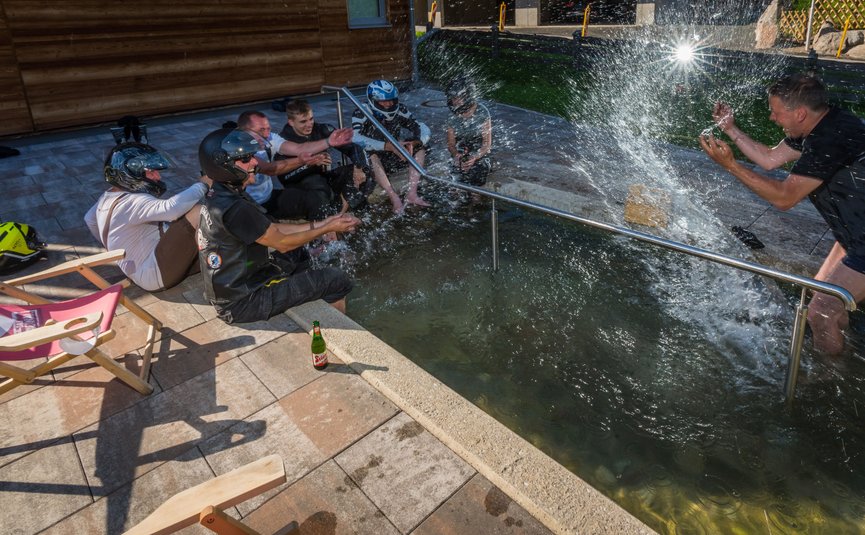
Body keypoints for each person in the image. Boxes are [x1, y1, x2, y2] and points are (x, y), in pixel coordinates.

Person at [699, 73, 865, 354]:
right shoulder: (819, 124)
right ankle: (841, 349)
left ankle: (828, 381)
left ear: (799, 113)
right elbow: (769, 158)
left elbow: (785, 198)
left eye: (776, 112)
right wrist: (730, 129)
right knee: (821, 297)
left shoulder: (829, 139)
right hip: (852, 235)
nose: (773, 118)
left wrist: (731, 166)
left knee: (821, 311)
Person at [197, 128, 361, 323]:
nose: (255, 162)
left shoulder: (222, 193)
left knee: (299, 254)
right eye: (245, 159)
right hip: (242, 302)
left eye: (251, 156)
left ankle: (310, 290)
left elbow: (273, 229)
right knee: (337, 280)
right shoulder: (235, 208)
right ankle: (336, 326)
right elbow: (282, 241)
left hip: (238, 283)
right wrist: (326, 228)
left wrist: (326, 222)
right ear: (223, 165)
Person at [84, 142, 211, 292]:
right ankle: (218, 262)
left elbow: (90, 219)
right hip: (154, 275)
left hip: (137, 271)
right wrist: (204, 184)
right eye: (151, 171)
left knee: (182, 219)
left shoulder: (108, 197)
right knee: (197, 212)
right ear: (131, 174)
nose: (158, 176)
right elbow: (171, 208)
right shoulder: (131, 202)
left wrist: (118, 247)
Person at [236, 110, 353, 220]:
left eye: (268, 129)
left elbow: (299, 148)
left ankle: (326, 238)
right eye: (261, 130)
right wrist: (301, 161)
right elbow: (269, 169)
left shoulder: (269, 137)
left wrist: (328, 142)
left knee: (315, 199)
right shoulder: (236, 148)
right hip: (245, 204)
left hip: (268, 198)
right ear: (244, 131)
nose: (267, 134)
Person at [277, 99, 375, 213]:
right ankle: (337, 218)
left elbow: (354, 148)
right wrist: (309, 164)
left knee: (366, 171)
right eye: (303, 122)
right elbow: (284, 178)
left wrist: (359, 168)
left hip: (325, 178)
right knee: (317, 183)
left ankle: (350, 212)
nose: (309, 125)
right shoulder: (282, 141)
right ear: (291, 122)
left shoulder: (322, 129)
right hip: (300, 187)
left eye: (311, 119)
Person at [352, 79, 431, 213]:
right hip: (373, 163)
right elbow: (355, 138)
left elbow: (422, 127)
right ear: (373, 100)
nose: (389, 104)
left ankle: (412, 194)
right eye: (384, 101)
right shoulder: (362, 112)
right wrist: (386, 146)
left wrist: (414, 143)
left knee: (421, 147)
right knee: (371, 155)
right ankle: (394, 198)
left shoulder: (400, 109)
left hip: (395, 156)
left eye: (392, 100)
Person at [445, 77, 492, 187]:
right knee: (455, 170)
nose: (456, 101)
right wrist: (456, 155)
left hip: (480, 151)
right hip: (462, 149)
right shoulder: (451, 116)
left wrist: (475, 157)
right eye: (453, 98)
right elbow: (451, 145)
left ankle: (476, 200)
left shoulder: (482, 112)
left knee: (479, 168)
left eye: (459, 98)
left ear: (469, 97)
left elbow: (487, 145)